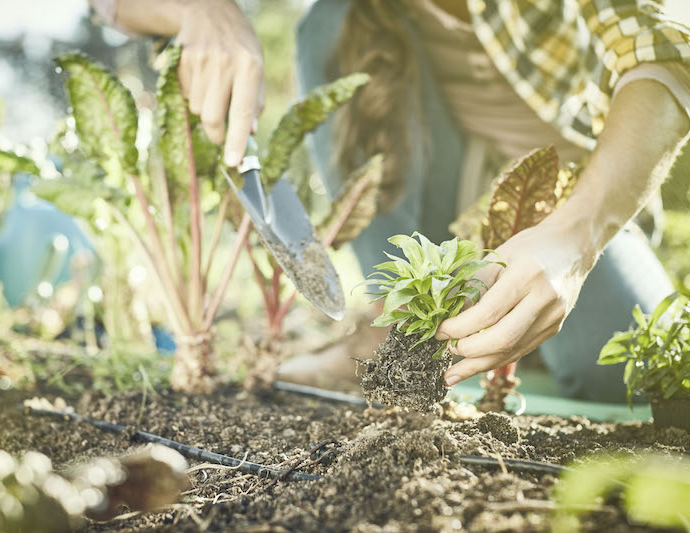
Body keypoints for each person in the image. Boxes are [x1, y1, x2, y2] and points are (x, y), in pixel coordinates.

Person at [89, 0, 690, 402]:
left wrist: (574, 239)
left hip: (565, 197)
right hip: (427, 184)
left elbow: (667, 57)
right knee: (330, 18)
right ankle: (393, 322)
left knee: (626, 376)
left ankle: (505, 333)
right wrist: (202, 9)